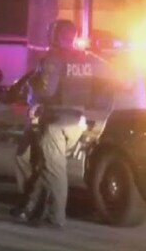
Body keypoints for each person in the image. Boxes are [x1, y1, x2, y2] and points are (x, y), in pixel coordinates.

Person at [11, 19, 106, 228]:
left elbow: (46, 91)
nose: (49, 37)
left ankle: (54, 217)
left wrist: (33, 81)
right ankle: (31, 206)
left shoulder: (53, 58)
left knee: (52, 169)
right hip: (76, 120)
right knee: (38, 162)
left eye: (51, 33)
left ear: (57, 35)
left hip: (54, 119)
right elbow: (118, 78)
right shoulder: (88, 58)